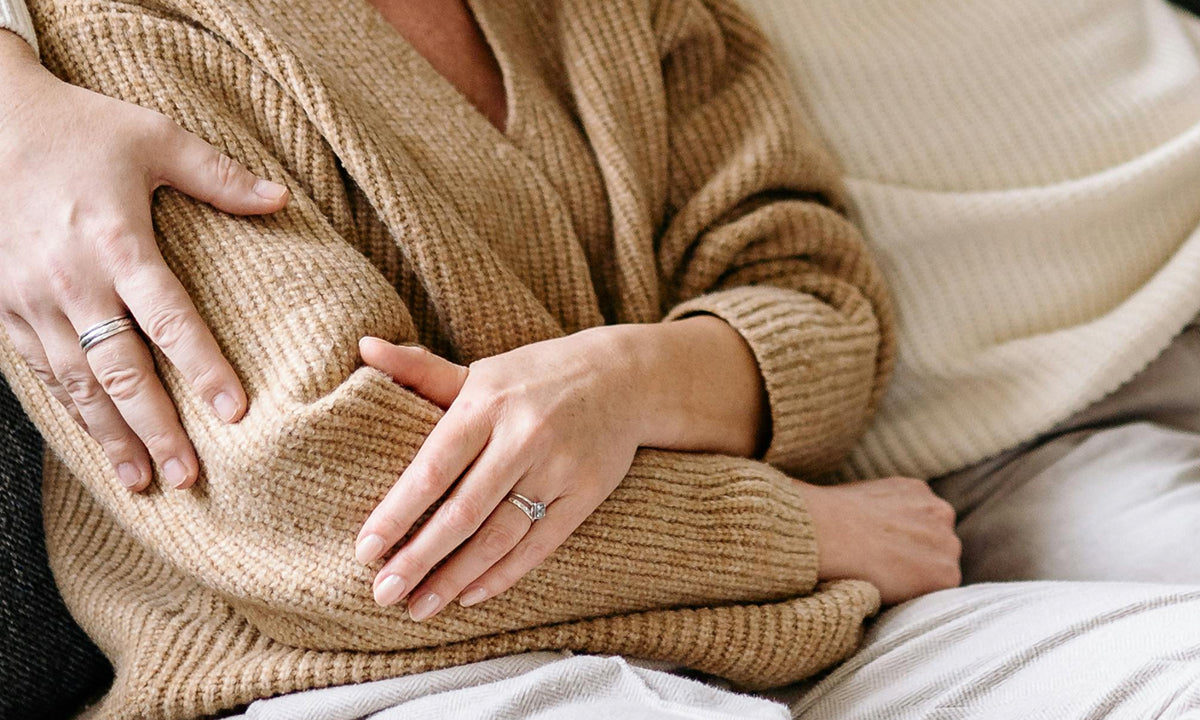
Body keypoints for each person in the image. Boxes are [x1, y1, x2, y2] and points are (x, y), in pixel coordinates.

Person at [0, 0, 965, 718]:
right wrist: (797, 530)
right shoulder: (106, 43)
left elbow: (822, 302)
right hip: (358, 682)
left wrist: (626, 383)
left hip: (777, 638)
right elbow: (316, 502)